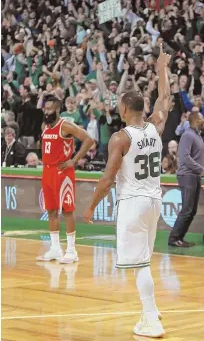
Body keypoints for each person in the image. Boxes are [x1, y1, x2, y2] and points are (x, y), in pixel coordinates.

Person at [84, 45, 171, 338]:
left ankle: (151, 320)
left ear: (123, 109)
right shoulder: (156, 126)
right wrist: (162, 69)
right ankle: (152, 308)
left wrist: (91, 206)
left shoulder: (121, 138)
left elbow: (108, 179)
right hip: (154, 200)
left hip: (133, 202)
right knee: (144, 258)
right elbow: (166, 98)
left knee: (139, 264)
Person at [37, 96, 93, 264]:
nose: (47, 111)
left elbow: (89, 140)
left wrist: (74, 161)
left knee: (67, 210)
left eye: (50, 109)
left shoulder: (65, 125)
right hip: (47, 172)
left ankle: (71, 250)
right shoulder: (45, 127)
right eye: (45, 109)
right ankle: (55, 248)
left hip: (63, 172)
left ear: (58, 110)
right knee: (52, 211)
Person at [168, 112, 204, 247]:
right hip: (187, 176)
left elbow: (197, 158)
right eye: (202, 119)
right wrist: (202, 170)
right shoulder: (187, 135)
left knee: (192, 210)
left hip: (195, 176)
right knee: (187, 209)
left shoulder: (197, 135)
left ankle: (179, 237)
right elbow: (186, 158)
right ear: (196, 120)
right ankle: (174, 238)